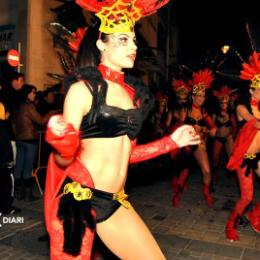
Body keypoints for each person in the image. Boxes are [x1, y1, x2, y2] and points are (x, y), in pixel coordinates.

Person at [44, 0, 200, 259]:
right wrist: (63, 141)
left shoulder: (133, 96)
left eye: (134, 40)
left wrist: (172, 141)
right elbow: (63, 160)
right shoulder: (82, 90)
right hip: (78, 202)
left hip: (114, 201)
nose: (133, 47)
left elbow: (129, 154)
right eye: (122, 40)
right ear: (101, 44)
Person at [225, 51, 260, 241]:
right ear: (252, 89)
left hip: (257, 158)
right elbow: (253, 122)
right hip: (244, 159)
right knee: (247, 197)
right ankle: (230, 226)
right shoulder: (241, 107)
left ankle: (254, 216)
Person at [172, 69, 217, 207]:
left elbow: (214, 130)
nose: (201, 98)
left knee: (207, 171)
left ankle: (206, 192)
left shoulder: (204, 112)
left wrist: (206, 130)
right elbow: (178, 127)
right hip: (185, 143)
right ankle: (177, 195)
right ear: (193, 96)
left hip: (199, 143)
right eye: (198, 95)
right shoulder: (185, 109)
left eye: (203, 96)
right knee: (185, 171)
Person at [12, 84, 54, 201]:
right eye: (33, 92)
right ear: (27, 93)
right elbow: (41, 120)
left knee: (19, 166)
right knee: (28, 167)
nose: (34, 95)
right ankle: (28, 195)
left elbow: (13, 124)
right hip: (30, 140)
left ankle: (18, 193)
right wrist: (51, 113)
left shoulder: (17, 106)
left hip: (19, 139)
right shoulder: (28, 106)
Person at [211, 85, 236, 185]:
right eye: (221, 103)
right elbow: (211, 126)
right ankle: (214, 175)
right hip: (218, 138)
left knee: (232, 157)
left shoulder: (231, 114)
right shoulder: (215, 114)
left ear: (227, 103)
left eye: (225, 103)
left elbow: (234, 127)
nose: (223, 105)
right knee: (215, 158)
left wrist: (232, 135)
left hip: (228, 138)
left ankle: (233, 174)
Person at [0, 101, 21, 214]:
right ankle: (7, 207)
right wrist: (10, 161)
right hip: (4, 163)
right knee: (8, 186)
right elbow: (5, 146)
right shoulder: (3, 127)